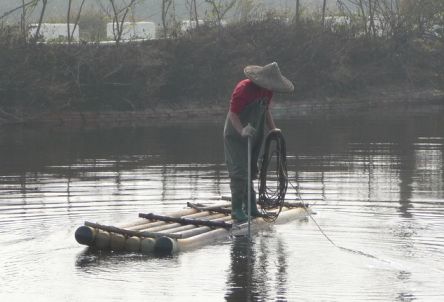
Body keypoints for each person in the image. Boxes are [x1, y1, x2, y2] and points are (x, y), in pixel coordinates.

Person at [223, 62, 294, 222]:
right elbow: (233, 114)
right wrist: (242, 130)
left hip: (255, 132)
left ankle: (251, 206)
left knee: (251, 170)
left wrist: (273, 130)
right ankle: (236, 209)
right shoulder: (243, 89)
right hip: (236, 134)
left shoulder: (268, 92)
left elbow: (266, 109)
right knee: (239, 171)